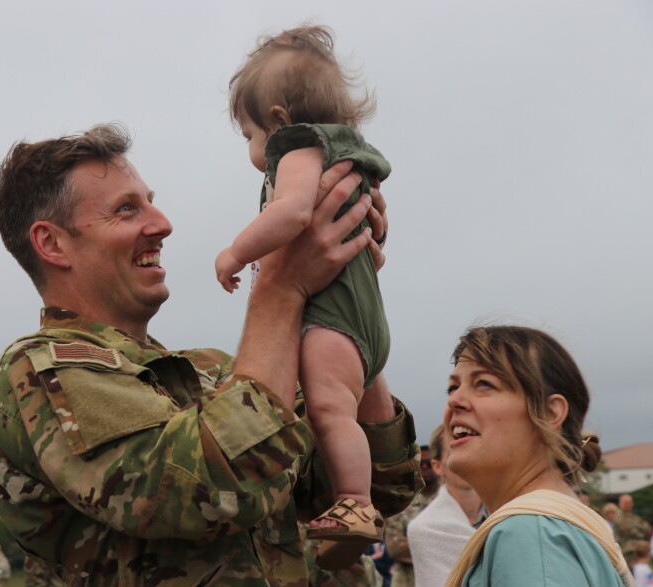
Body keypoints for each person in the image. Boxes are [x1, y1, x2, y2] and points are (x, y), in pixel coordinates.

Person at [0, 123, 422, 586]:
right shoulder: (37, 369)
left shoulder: (215, 372)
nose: (162, 223)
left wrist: (344, 296)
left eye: (150, 200)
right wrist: (282, 286)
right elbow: (210, 490)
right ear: (51, 243)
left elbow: (382, 483)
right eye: (126, 209)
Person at [216, 24, 396, 569]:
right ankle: (349, 508)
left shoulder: (296, 149)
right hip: (365, 325)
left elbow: (292, 213)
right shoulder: (352, 156)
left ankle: (354, 504)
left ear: (275, 120)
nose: (253, 149)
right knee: (331, 407)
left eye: (249, 135)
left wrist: (235, 253)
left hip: (332, 321)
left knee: (325, 408)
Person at [443, 326, 635, 586]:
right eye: (452, 388)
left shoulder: (530, 532)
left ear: (550, 413)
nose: (455, 400)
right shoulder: (549, 528)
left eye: (484, 384)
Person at [408, 425, 484, 587]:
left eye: (472, 450)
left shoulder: (509, 514)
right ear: (438, 466)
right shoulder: (425, 528)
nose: (466, 461)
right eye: (455, 453)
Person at [382, 444, 438, 586]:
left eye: (428, 463)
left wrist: (415, 542)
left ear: (437, 465)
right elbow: (395, 547)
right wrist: (439, 545)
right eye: (420, 464)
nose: (424, 467)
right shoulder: (402, 501)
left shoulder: (451, 500)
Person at [618, 493, 653, 567]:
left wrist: (642, 530)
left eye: (630, 502)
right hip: (629, 552)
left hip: (641, 550)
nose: (629, 504)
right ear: (621, 504)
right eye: (626, 503)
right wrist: (642, 531)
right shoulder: (619, 517)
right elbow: (632, 532)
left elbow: (647, 528)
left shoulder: (634, 517)